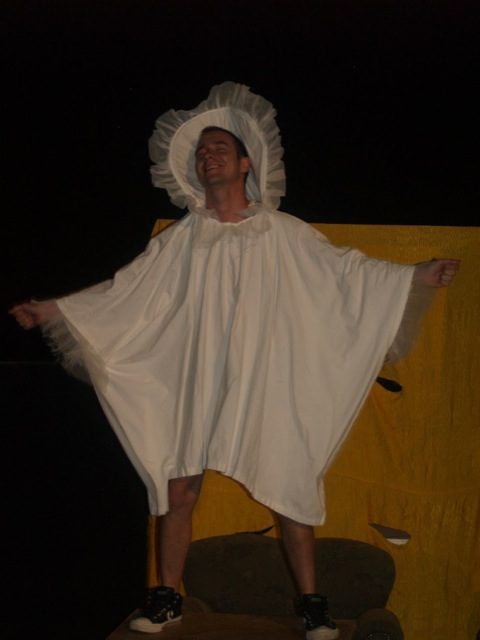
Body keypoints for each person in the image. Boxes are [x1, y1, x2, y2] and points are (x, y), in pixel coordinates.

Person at [10, 82, 459, 640]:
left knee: (288, 485)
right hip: (197, 378)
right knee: (178, 488)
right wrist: (56, 309)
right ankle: (167, 599)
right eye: (202, 151)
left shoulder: (283, 233)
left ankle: (313, 606)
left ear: (248, 163)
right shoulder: (182, 240)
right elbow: (126, 290)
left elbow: (346, 273)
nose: (209, 155)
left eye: (220, 147)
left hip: (265, 379)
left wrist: (414, 276)